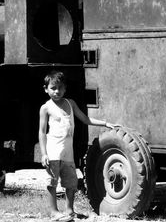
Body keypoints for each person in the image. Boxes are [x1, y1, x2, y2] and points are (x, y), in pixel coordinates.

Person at [38, 71, 119, 221]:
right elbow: (42, 132)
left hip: (68, 153)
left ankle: (69, 210)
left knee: (71, 183)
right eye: (53, 88)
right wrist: (44, 154)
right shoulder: (46, 108)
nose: (57, 91)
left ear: (65, 89)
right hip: (53, 152)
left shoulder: (70, 103)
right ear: (46, 89)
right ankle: (54, 211)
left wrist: (106, 124)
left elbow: (86, 119)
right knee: (52, 183)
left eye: (60, 88)